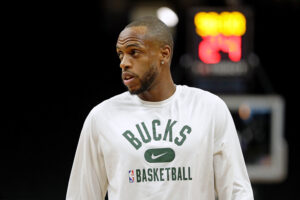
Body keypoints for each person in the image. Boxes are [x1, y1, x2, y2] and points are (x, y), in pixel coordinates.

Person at [66, 16, 254, 200]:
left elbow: (237, 191)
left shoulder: (209, 109)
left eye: (134, 52)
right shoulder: (101, 117)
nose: (123, 62)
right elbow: (81, 195)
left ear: (164, 54)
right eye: (120, 54)